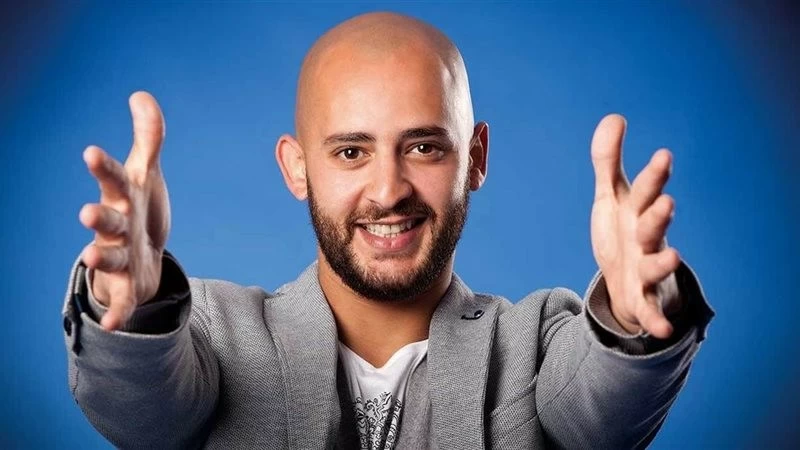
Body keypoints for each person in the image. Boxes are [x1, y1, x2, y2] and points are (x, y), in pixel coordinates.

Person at [62, 12, 714, 449]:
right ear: (297, 168)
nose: (388, 190)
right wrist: (139, 313)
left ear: (475, 158)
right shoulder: (213, 333)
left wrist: (630, 320)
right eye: (351, 152)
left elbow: (599, 418)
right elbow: (143, 415)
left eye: (424, 147)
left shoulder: (536, 341)